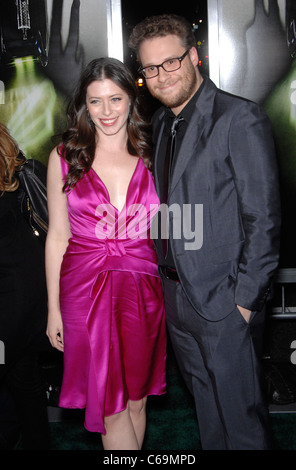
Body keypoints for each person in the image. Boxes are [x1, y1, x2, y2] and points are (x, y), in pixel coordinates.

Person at [128, 14, 281, 450]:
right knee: (209, 420)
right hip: (176, 302)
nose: (162, 75)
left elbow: (264, 218)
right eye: (151, 68)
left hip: (225, 304)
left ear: (194, 56)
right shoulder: (159, 125)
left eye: (172, 61)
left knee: (243, 425)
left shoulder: (239, 118)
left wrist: (245, 302)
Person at [45, 57, 166, 450]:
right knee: (109, 405)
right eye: (95, 102)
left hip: (143, 289)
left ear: (132, 99)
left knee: (136, 400)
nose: (107, 111)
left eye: (115, 99)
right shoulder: (65, 157)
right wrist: (53, 309)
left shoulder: (155, 153)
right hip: (84, 290)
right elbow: (57, 236)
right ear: (83, 104)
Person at [0, 123, 50, 449]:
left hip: (11, 304)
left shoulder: (26, 174)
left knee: (21, 380)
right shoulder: (26, 170)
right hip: (32, 296)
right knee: (24, 380)